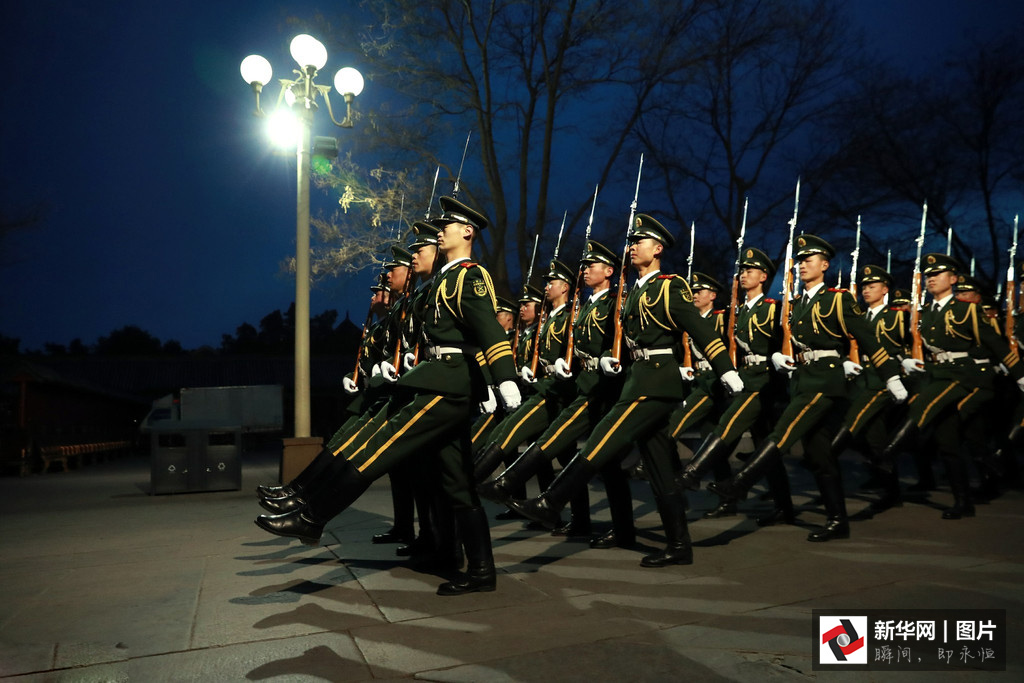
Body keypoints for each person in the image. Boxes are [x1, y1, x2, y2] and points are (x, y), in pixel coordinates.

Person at [255, 196, 522, 596]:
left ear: (467, 231)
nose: (440, 231)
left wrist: (504, 378)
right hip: (437, 379)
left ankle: (312, 517)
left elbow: (488, 329)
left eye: (446, 226)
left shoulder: (470, 276)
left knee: (381, 446)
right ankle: (480, 569)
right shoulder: (444, 280)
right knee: (456, 482)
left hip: (447, 385)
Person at [508, 213, 744, 567]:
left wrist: (726, 369)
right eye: (631, 242)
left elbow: (701, 329)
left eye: (639, 242)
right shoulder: (634, 291)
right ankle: (679, 545)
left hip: (655, 382)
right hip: (638, 378)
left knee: (604, 435)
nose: (632, 247)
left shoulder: (669, 286)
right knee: (660, 469)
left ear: (657, 248)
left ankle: (550, 501)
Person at [708, 234, 908, 542]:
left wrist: (891, 376)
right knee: (819, 455)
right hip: (803, 380)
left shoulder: (837, 299)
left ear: (824, 265)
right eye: (799, 261)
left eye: (808, 260)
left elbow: (868, 339)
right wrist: (778, 355)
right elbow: (784, 341)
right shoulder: (796, 304)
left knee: (783, 431)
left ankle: (740, 483)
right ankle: (838, 520)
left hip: (825, 382)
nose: (802, 265)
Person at [479, 240, 635, 548]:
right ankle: (580, 519)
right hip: (579, 386)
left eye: (591, 266)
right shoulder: (583, 308)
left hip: (599, 390)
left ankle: (514, 489)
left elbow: (620, 340)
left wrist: (602, 358)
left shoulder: (612, 303)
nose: (584, 271)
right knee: (588, 460)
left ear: (608, 271)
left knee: (602, 462)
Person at [877, 254, 1024, 519]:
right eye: (928, 275)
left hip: (961, 374)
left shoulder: (967, 310)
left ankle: (888, 453)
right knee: (948, 441)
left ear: (953, 279)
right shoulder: (925, 313)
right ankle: (963, 502)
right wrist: (907, 360)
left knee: (923, 404)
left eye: (938, 274)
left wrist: (1020, 376)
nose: (931, 279)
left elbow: (996, 344)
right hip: (935, 372)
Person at [675, 249, 783, 524]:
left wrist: (778, 357)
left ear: (763, 277)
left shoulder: (772, 308)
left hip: (762, 382)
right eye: (742, 271)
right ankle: (769, 503)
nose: (743, 275)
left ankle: (694, 474)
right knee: (765, 447)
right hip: (742, 380)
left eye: (750, 271)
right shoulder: (738, 312)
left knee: (733, 430)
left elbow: (782, 340)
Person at [829, 265, 909, 517]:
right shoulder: (858, 317)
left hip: (883, 381)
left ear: (885, 290)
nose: (866, 291)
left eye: (872, 286)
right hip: (861, 379)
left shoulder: (897, 316)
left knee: (852, 422)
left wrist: (905, 362)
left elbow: (909, 344)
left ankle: (823, 461)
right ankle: (891, 491)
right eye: (864, 287)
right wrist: (846, 361)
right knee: (875, 439)